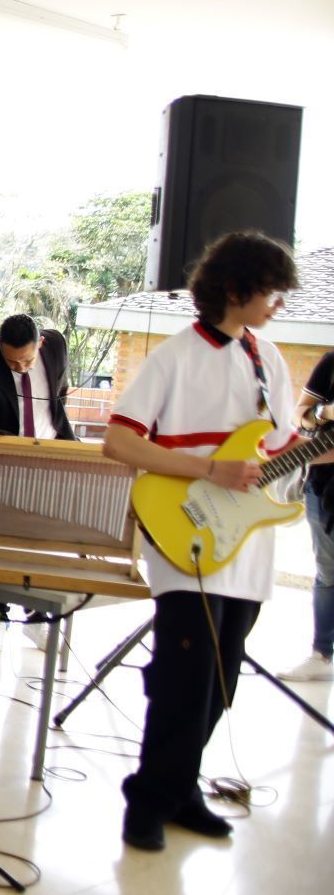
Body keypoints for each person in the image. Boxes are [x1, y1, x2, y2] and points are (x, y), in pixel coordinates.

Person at [103, 231, 331, 850]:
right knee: (186, 673)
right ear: (235, 288)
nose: (280, 303)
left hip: (246, 542)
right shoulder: (176, 355)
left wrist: (318, 451)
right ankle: (147, 802)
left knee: (223, 676)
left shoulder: (269, 359)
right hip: (184, 531)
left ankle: (181, 790)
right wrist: (208, 469)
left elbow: (280, 447)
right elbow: (118, 442)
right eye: (272, 291)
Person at [279, 348, 334, 682]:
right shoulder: (330, 364)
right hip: (323, 484)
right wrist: (324, 412)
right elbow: (297, 415)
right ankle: (321, 653)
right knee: (327, 571)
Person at [0, 314, 78, 440]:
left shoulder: (56, 345)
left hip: (54, 441)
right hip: (9, 447)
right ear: (1, 348)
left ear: (40, 343)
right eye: (12, 362)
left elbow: (61, 388)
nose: (21, 368)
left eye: (28, 360)